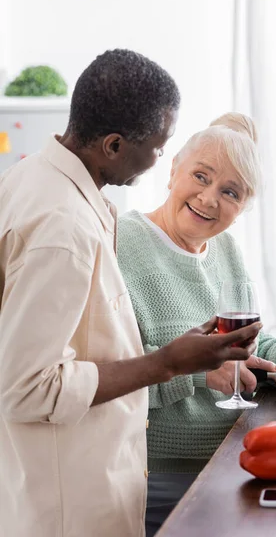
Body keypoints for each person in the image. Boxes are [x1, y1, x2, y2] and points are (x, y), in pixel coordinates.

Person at [0, 51, 261, 537]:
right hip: (67, 504)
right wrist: (170, 364)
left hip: (90, 484)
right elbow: (25, 387)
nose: (160, 157)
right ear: (116, 145)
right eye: (160, 148)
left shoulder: (46, 183)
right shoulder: (63, 227)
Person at [117, 113, 276, 536]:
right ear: (173, 169)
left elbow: (244, 346)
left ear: (243, 207)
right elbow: (106, 382)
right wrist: (198, 374)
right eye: (200, 176)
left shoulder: (226, 249)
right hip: (158, 478)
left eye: (230, 191)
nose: (209, 199)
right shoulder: (121, 243)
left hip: (236, 460)